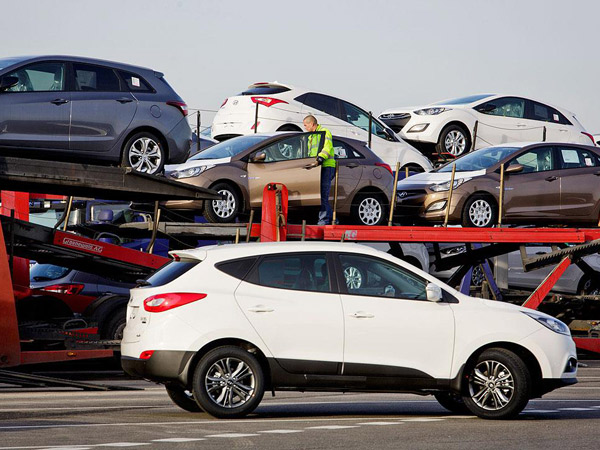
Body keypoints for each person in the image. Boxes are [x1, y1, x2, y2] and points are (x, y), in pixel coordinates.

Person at [303, 115, 336, 225]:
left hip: (326, 166)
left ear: (312, 124)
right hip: (317, 167)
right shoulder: (311, 136)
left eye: (306, 125)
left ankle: (324, 220)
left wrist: (320, 159)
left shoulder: (324, 132)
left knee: (323, 195)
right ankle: (332, 219)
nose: (305, 128)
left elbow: (327, 147)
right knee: (320, 195)